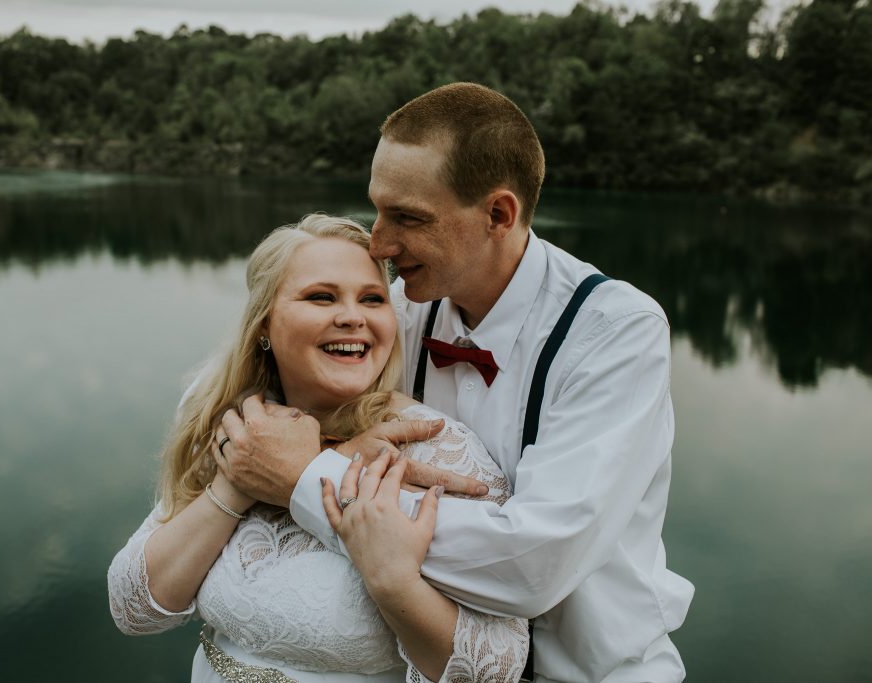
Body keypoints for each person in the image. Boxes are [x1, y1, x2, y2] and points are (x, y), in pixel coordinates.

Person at [214, 83, 695, 683]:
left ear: (499, 214)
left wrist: (310, 480)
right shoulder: (391, 312)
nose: (379, 245)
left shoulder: (614, 331)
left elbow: (532, 564)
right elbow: (268, 408)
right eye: (378, 209)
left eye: (408, 218)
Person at [107, 214, 530, 682]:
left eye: (372, 299)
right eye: (321, 297)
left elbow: (499, 668)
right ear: (264, 323)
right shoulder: (239, 425)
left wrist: (393, 581)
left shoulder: (436, 449)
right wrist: (237, 485)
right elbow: (135, 611)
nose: (352, 316)